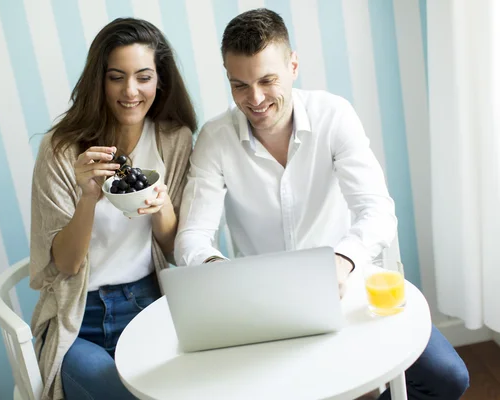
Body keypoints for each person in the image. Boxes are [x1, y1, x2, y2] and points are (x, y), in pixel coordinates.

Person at [174, 8, 469, 400]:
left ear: (293, 65)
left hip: (350, 287)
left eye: (267, 80)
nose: (255, 98)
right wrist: (221, 274)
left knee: (448, 378)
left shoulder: (334, 115)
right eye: (240, 85)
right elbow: (191, 238)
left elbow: (378, 211)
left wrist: (342, 260)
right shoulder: (215, 138)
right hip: (264, 309)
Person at [29, 18, 196, 400]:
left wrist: (161, 205)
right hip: (79, 317)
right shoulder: (61, 149)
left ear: (160, 80)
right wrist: (87, 197)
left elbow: (173, 249)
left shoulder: (175, 140)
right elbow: (67, 264)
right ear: (99, 81)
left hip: (149, 303)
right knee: (117, 390)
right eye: (116, 77)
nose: (131, 91)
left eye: (143, 77)